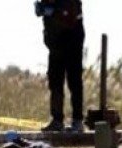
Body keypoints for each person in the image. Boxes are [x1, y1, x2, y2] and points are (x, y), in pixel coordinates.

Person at [37, 0, 85, 133]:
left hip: (72, 42)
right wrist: (44, 10)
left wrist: (53, 12)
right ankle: (57, 120)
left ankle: (77, 121)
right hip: (55, 45)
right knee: (55, 82)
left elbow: (71, 17)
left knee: (74, 82)